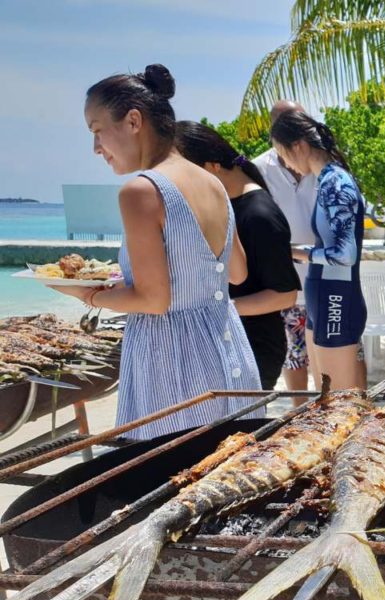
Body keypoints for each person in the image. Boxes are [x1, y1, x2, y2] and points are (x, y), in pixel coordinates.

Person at [53, 64, 261, 440]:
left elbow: (154, 300)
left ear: (134, 121)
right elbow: (237, 273)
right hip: (229, 353)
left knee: (165, 478)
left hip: (173, 366)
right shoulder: (212, 182)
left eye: (98, 131)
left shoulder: (141, 191)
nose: (96, 148)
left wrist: (85, 292)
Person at [175, 121, 300, 389]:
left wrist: (219, 309)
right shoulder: (229, 204)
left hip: (253, 350)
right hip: (231, 345)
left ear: (212, 167)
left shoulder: (259, 214)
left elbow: (285, 294)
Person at [270, 110, 367, 390]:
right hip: (323, 296)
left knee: (340, 402)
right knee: (329, 399)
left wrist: (302, 253)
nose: (284, 163)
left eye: (283, 154)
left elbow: (344, 254)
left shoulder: (335, 181)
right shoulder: (327, 180)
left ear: (298, 146)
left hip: (336, 297)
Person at [254, 100, 317, 403]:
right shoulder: (258, 169)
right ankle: (298, 412)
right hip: (284, 281)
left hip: (322, 277)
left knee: (325, 359)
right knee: (294, 356)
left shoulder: (320, 166)